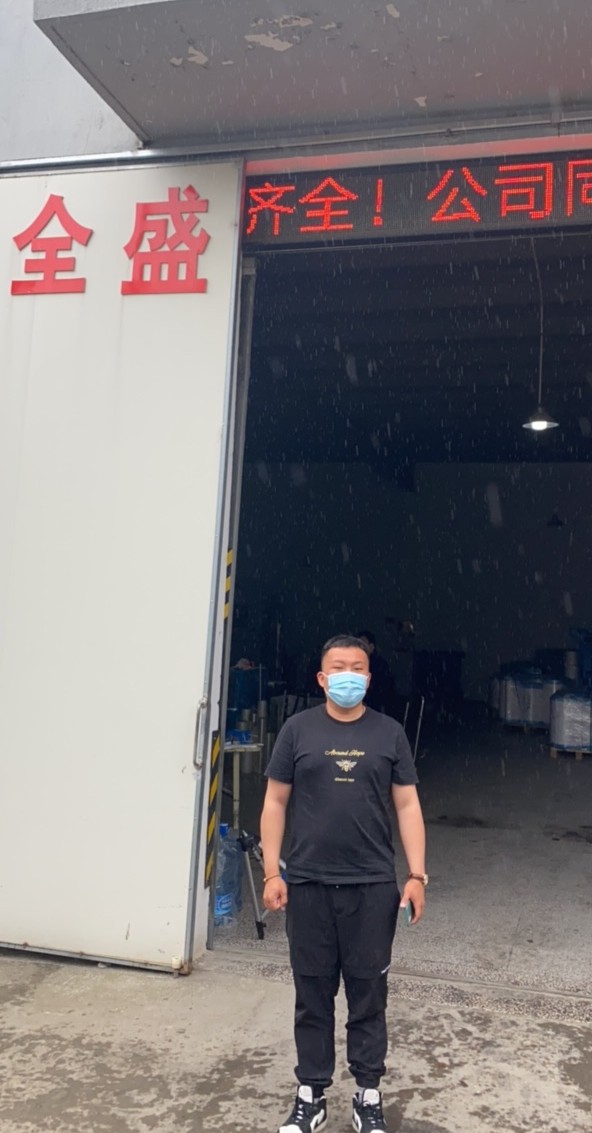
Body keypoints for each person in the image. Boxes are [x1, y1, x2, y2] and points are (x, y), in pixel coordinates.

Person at [260, 634, 427, 1133]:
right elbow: (274, 802)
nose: (347, 675)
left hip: (372, 886)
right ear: (322, 677)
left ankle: (367, 1094)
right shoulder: (297, 730)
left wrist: (416, 874)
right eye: (338, 667)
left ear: (369, 679)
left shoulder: (389, 733)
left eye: (357, 667)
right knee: (312, 995)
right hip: (308, 883)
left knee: (368, 994)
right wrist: (272, 872)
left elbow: (407, 805)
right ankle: (310, 1094)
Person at [356, 630, 397, 716]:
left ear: (371, 647)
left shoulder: (379, 666)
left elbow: (382, 691)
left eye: (362, 644)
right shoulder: (353, 664)